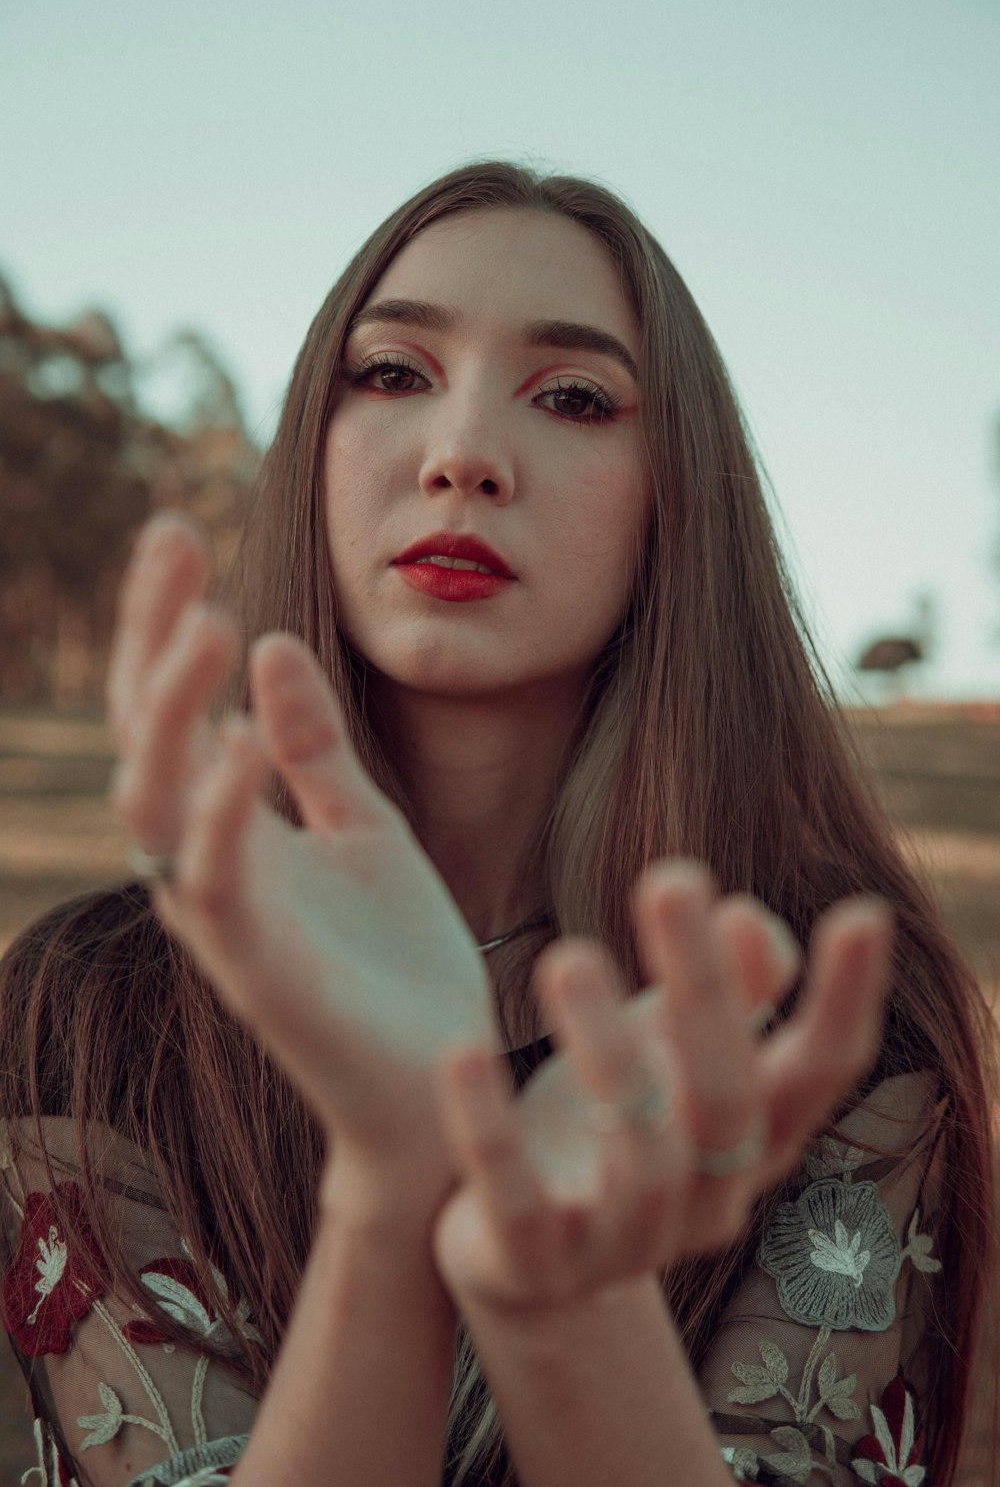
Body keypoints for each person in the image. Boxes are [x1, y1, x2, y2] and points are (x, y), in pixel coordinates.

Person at [0, 160, 994, 1487]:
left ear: (675, 502)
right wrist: (393, 1181)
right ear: (312, 445)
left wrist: (563, 1303)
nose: (462, 453)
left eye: (574, 397)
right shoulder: (86, 1006)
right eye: (394, 374)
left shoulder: (819, 1032)